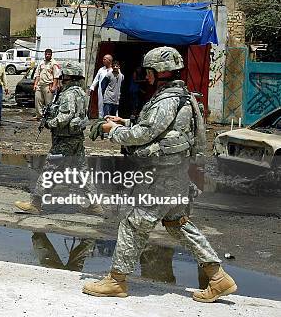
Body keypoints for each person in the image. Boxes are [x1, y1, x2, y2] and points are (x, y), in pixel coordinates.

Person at [82, 47, 237, 302]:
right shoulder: (182, 96)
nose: (147, 76)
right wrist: (124, 122)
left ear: (159, 72)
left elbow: (147, 133)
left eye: (149, 71)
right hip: (177, 174)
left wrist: (112, 131)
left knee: (133, 221)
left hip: (162, 176)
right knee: (178, 224)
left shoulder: (166, 100)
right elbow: (158, 127)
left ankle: (116, 280)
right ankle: (218, 277)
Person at [14, 61, 102, 215]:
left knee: (49, 170)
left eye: (64, 76)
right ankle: (94, 205)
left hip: (64, 141)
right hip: (76, 139)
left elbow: (65, 117)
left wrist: (49, 123)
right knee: (82, 172)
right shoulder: (81, 93)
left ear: (70, 77)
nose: (62, 79)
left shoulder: (69, 94)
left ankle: (35, 204)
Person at [33, 48, 61, 120]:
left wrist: (54, 86)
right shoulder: (41, 63)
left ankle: (48, 117)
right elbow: (37, 74)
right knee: (38, 100)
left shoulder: (54, 63)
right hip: (40, 85)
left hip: (48, 85)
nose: (47, 55)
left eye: (49, 54)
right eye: (46, 54)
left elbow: (56, 76)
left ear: (51, 55)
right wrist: (35, 84)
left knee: (48, 103)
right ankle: (39, 116)